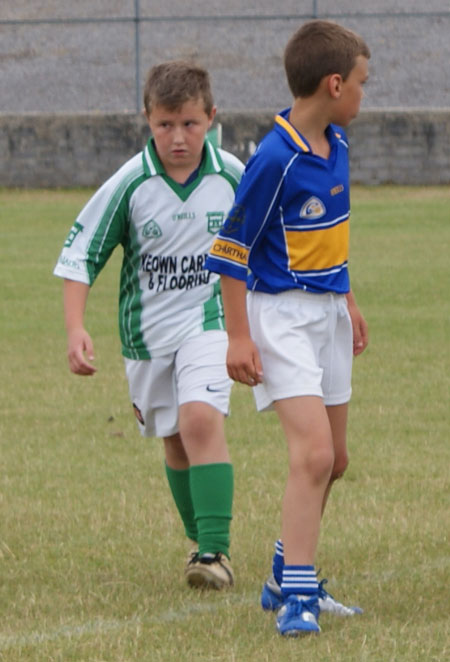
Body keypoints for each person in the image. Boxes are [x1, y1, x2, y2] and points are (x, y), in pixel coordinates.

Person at [205, 20, 370, 634]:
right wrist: (238, 336)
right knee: (312, 454)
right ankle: (298, 599)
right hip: (281, 317)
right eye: (360, 83)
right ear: (333, 84)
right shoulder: (274, 158)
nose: (362, 94)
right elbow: (230, 251)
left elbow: (331, 236)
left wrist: (347, 299)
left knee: (337, 459)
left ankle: (284, 571)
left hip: (327, 312)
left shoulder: (338, 145)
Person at [54, 60, 244, 590]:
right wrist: (75, 328)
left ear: (211, 117)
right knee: (175, 440)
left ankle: (214, 552)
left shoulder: (232, 175)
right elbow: (81, 256)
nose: (177, 137)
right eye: (165, 125)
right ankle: (200, 543)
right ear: (147, 120)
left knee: (201, 421)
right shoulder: (130, 183)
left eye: (189, 123)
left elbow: (267, 244)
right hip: (146, 337)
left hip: (208, 321)